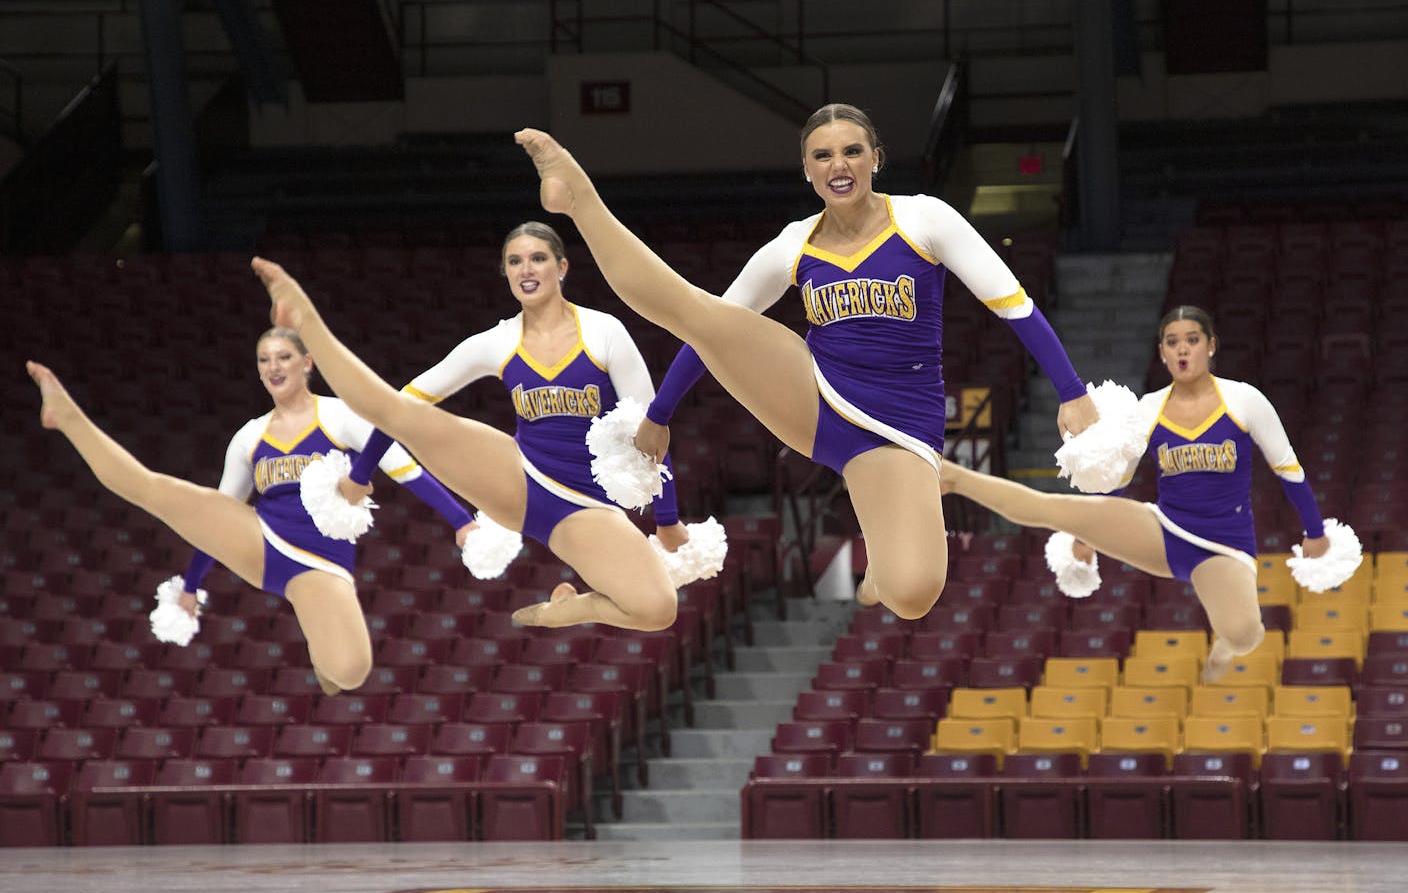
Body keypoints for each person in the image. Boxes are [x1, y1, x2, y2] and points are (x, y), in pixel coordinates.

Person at [514, 106, 1097, 621]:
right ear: (807, 170)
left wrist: (1071, 391)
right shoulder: (793, 243)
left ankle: (878, 580)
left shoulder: (925, 219)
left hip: (898, 430)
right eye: (822, 155)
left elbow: (1012, 304)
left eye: (851, 151)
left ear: (876, 159)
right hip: (814, 393)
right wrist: (660, 415)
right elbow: (713, 332)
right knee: (691, 308)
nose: (837, 164)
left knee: (915, 594)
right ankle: (579, 197)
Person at [250, 221, 686, 633]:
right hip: (519, 477)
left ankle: (570, 610)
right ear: (506, 273)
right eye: (515, 261)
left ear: (562, 267)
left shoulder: (604, 331)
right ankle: (305, 317)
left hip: (588, 508)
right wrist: (359, 475)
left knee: (658, 610)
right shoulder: (495, 341)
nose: (526, 269)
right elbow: (404, 402)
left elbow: (650, 436)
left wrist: (667, 520)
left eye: (537, 258)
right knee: (401, 409)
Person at [25, 327, 477, 696]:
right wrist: (190, 586)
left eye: (283, 357)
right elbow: (217, 518)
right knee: (155, 490)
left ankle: (322, 652)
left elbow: (405, 470)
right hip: (260, 540)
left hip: (319, 564)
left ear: (306, 363)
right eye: (264, 360)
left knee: (350, 672)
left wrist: (461, 521)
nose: (273, 367)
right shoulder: (249, 436)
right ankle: (66, 415)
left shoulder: (340, 416)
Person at [936, 305, 1330, 681]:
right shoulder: (1149, 407)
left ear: (1211, 346)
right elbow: (1120, 475)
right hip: (1163, 529)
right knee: (1051, 508)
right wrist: (1086, 533)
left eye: (1192, 340)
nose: (1182, 349)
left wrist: (1315, 532)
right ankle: (954, 476)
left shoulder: (1245, 399)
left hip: (1223, 545)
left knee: (1245, 635)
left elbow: (1288, 469)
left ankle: (1224, 647)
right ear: (1161, 352)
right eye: (1172, 342)